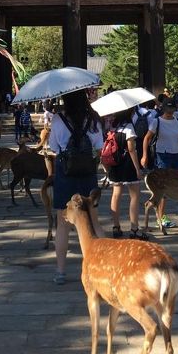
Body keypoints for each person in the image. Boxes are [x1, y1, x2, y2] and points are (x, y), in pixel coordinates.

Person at [48, 90, 103, 284]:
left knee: (62, 224)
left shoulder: (58, 119)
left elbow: (53, 147)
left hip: (65, 173)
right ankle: (103, 265)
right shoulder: (94, 119)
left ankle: (61, 271)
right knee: (93, 221)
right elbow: (99, 147)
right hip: (87, 173)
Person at [105, 108, 147, 241]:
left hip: (114, 164)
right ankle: (134, 228)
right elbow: (131, 149)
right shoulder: (129, 127)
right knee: (134, 196)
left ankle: (116, 227)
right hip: (128, 165)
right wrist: (138, 169)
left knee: (116, 194)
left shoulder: (112, 126)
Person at [153, 100, 178, 224]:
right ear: (164, 109)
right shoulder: (157, 121)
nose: (170, 112)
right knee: (163, 187)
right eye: (168, 110)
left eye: (172, 110)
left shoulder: (177, 121)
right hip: (163, 154)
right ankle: (161, 217)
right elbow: (147, 138)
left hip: (177, 154)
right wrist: (144, 155)